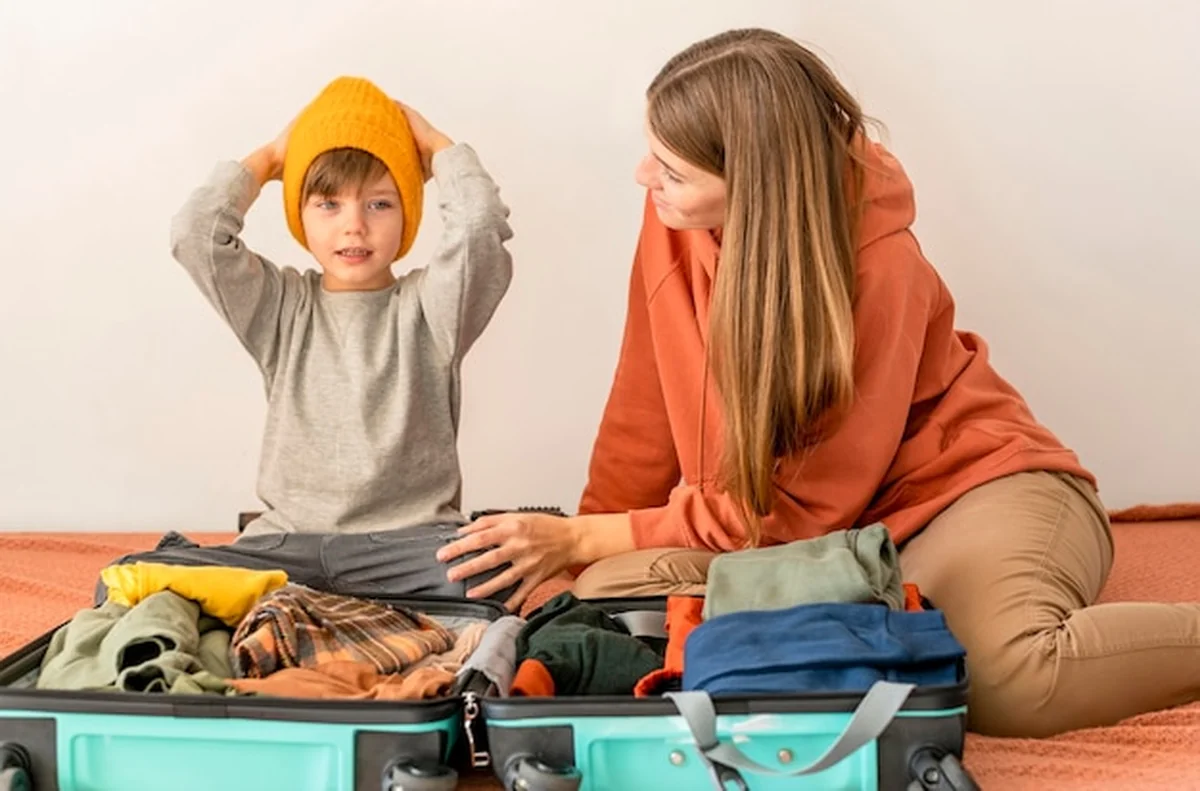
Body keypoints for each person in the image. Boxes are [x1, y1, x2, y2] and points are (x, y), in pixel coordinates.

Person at [437, 29, 1200, 737]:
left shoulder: (880, 267)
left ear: (755, 182)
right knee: (615, 595)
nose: (645, 177)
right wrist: (577, 564)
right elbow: (645, 410)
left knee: (1002, 678)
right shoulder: (670, 214)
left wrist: (578, 533)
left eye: (670, 168)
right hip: (821, 537)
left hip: (961, 491)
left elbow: (803, 506)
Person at [97, 76, 516, 603]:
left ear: (410, 210)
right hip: (284, 545)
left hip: (406, 546)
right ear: (300, 212)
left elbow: (478, 228)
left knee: (493, 580)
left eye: (380, 204)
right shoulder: (280, 306)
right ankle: (310, 605)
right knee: (127, 580)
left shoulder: (434, 308)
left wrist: (437, 146)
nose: (354, 227)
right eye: (328, 205)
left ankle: (311, 609)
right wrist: (271, 157)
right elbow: (196, 233)